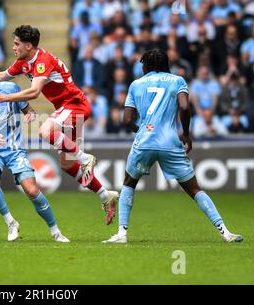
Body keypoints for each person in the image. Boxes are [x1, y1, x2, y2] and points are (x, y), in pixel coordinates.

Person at [0, 25, 119, 224]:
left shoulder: (42, 61)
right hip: (66, 110)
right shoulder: (23, 63)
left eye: (17, 44)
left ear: (28, 45)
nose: (14, 47)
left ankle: (85, 158)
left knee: (45, 130)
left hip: (75, 105)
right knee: (67, 164)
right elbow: (1, 76)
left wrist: (5, 98)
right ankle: (105, 195)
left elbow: (34, 92)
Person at [103, 49, 243, 244]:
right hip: (170, 142)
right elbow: (185, 107)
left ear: (147, 65)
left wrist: (140, 130)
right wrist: (186, 133)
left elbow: (126, 120)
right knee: (194, 189)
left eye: (143, 64)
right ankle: (225, 232)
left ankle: (121, 234)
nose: (141, 67)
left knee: (129, 183)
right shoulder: (178, 81)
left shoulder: (136, 84)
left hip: (145, 141)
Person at [0, 60, 69, 243]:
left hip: (15, 150)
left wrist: (30, 113)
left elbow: (27, 107)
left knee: (31, 190)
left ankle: (56, 231)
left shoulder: (11, 88)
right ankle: (11, 222)